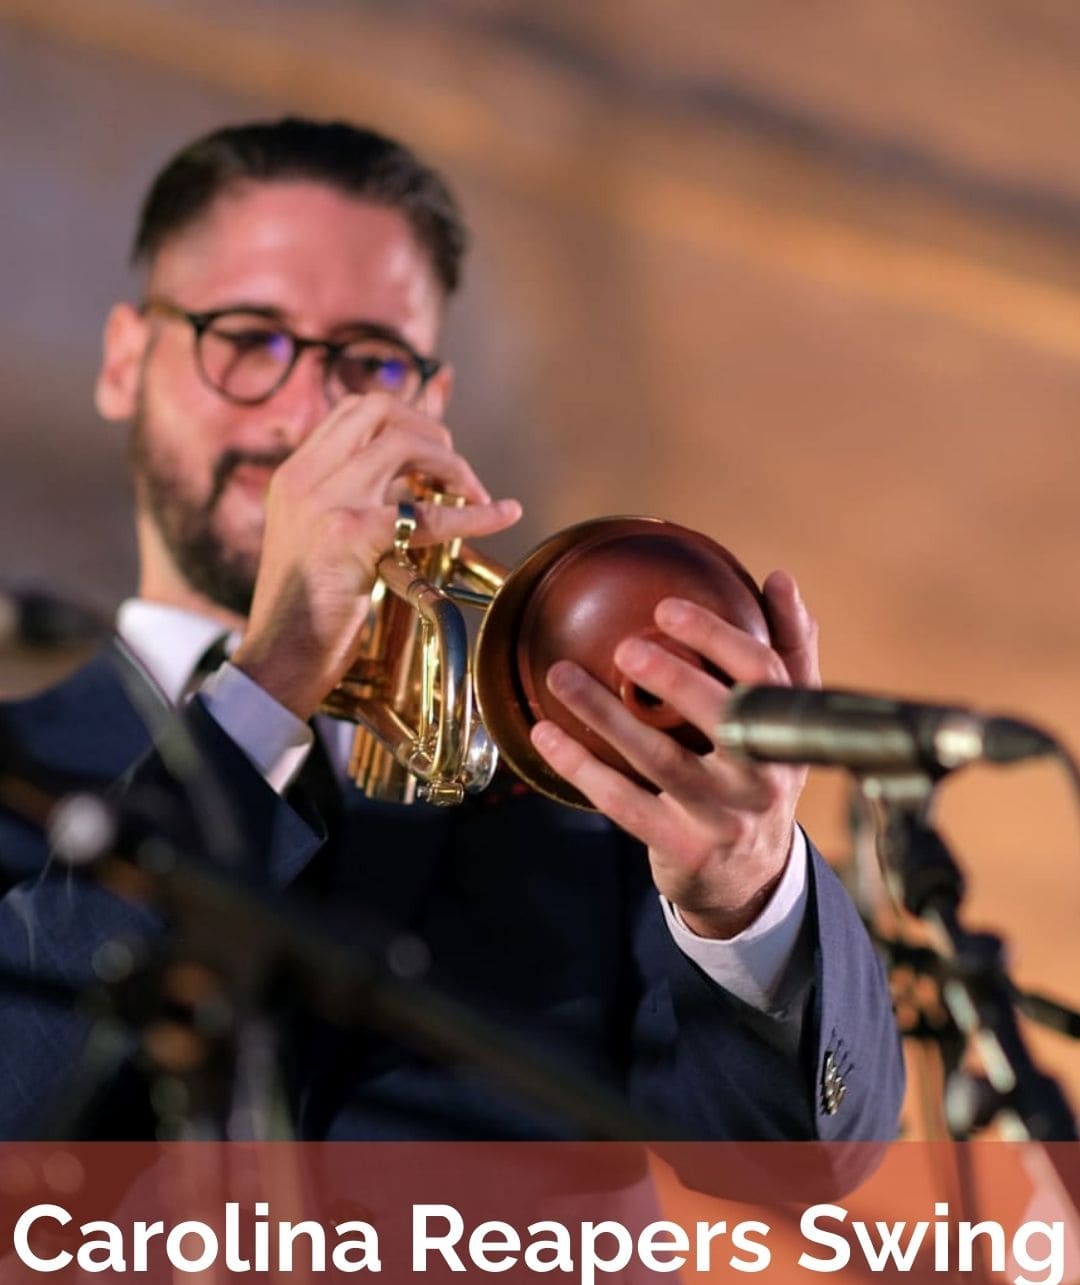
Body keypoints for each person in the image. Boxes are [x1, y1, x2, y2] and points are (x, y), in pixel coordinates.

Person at [0, 117, 903, 1142]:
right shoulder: (17, 766)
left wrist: (746, 891)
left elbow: (798, 1162)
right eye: (249, 340)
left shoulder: (576, 758)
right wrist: (274, 670)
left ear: (433, 402)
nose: (309, 415)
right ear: (125, 360)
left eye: (372, 363)